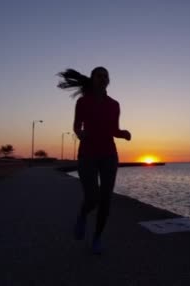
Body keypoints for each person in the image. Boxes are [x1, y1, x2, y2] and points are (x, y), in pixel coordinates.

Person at [57, 67, 131, 254]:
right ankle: (82, 215)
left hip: (109, 155)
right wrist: (80, 134)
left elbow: (114, 129)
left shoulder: (114, 104)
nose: (104, 78)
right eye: (100, 75)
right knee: (92, 198)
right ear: (92, 79)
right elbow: (76, 125)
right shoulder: (83, 102)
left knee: (106, 200)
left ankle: (97, 239)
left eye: (106, 76)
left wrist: (123, 134)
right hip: (87, 155)